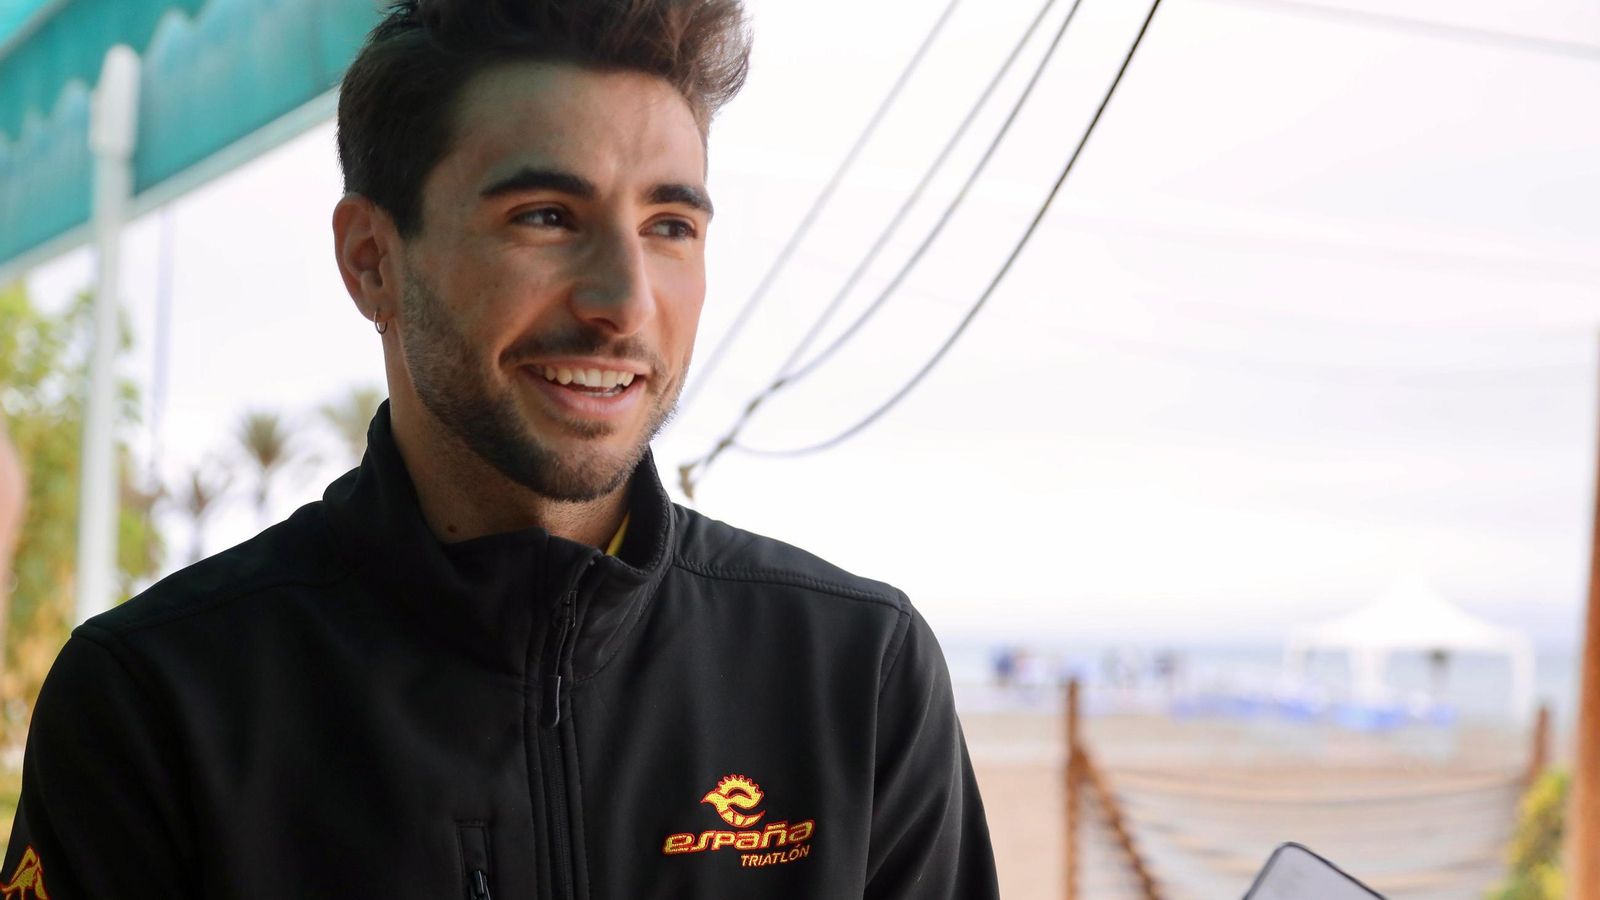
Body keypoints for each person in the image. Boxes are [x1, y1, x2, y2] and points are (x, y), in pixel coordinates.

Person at [2, 1, 998, 897]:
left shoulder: (853, 676)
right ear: (370, 261)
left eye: (668, 225)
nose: (624, 302)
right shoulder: (157, 702)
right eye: (546, 217)